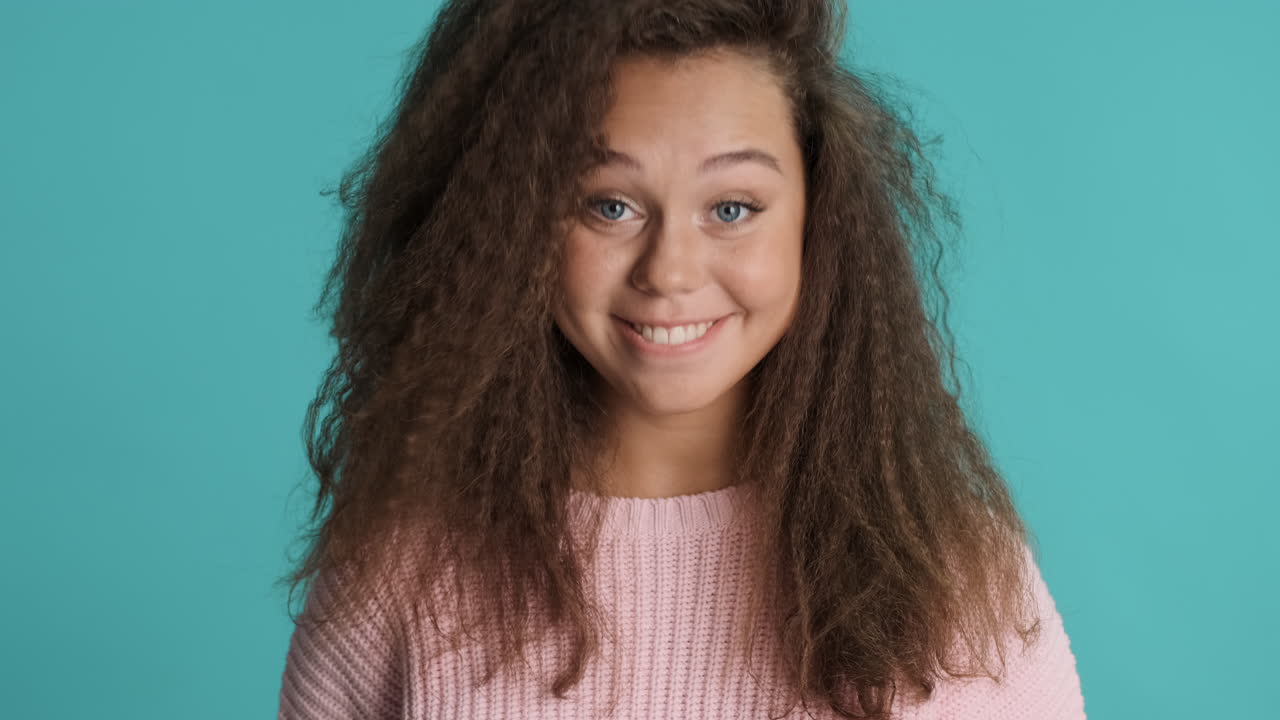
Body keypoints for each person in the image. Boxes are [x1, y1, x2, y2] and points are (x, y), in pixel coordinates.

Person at [275, 1, 1086, 718]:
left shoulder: (956, 584)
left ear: (818, 221)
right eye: (610, 205)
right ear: (515, 224)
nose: (669, 271)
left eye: (732, 208)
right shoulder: (395, 577)